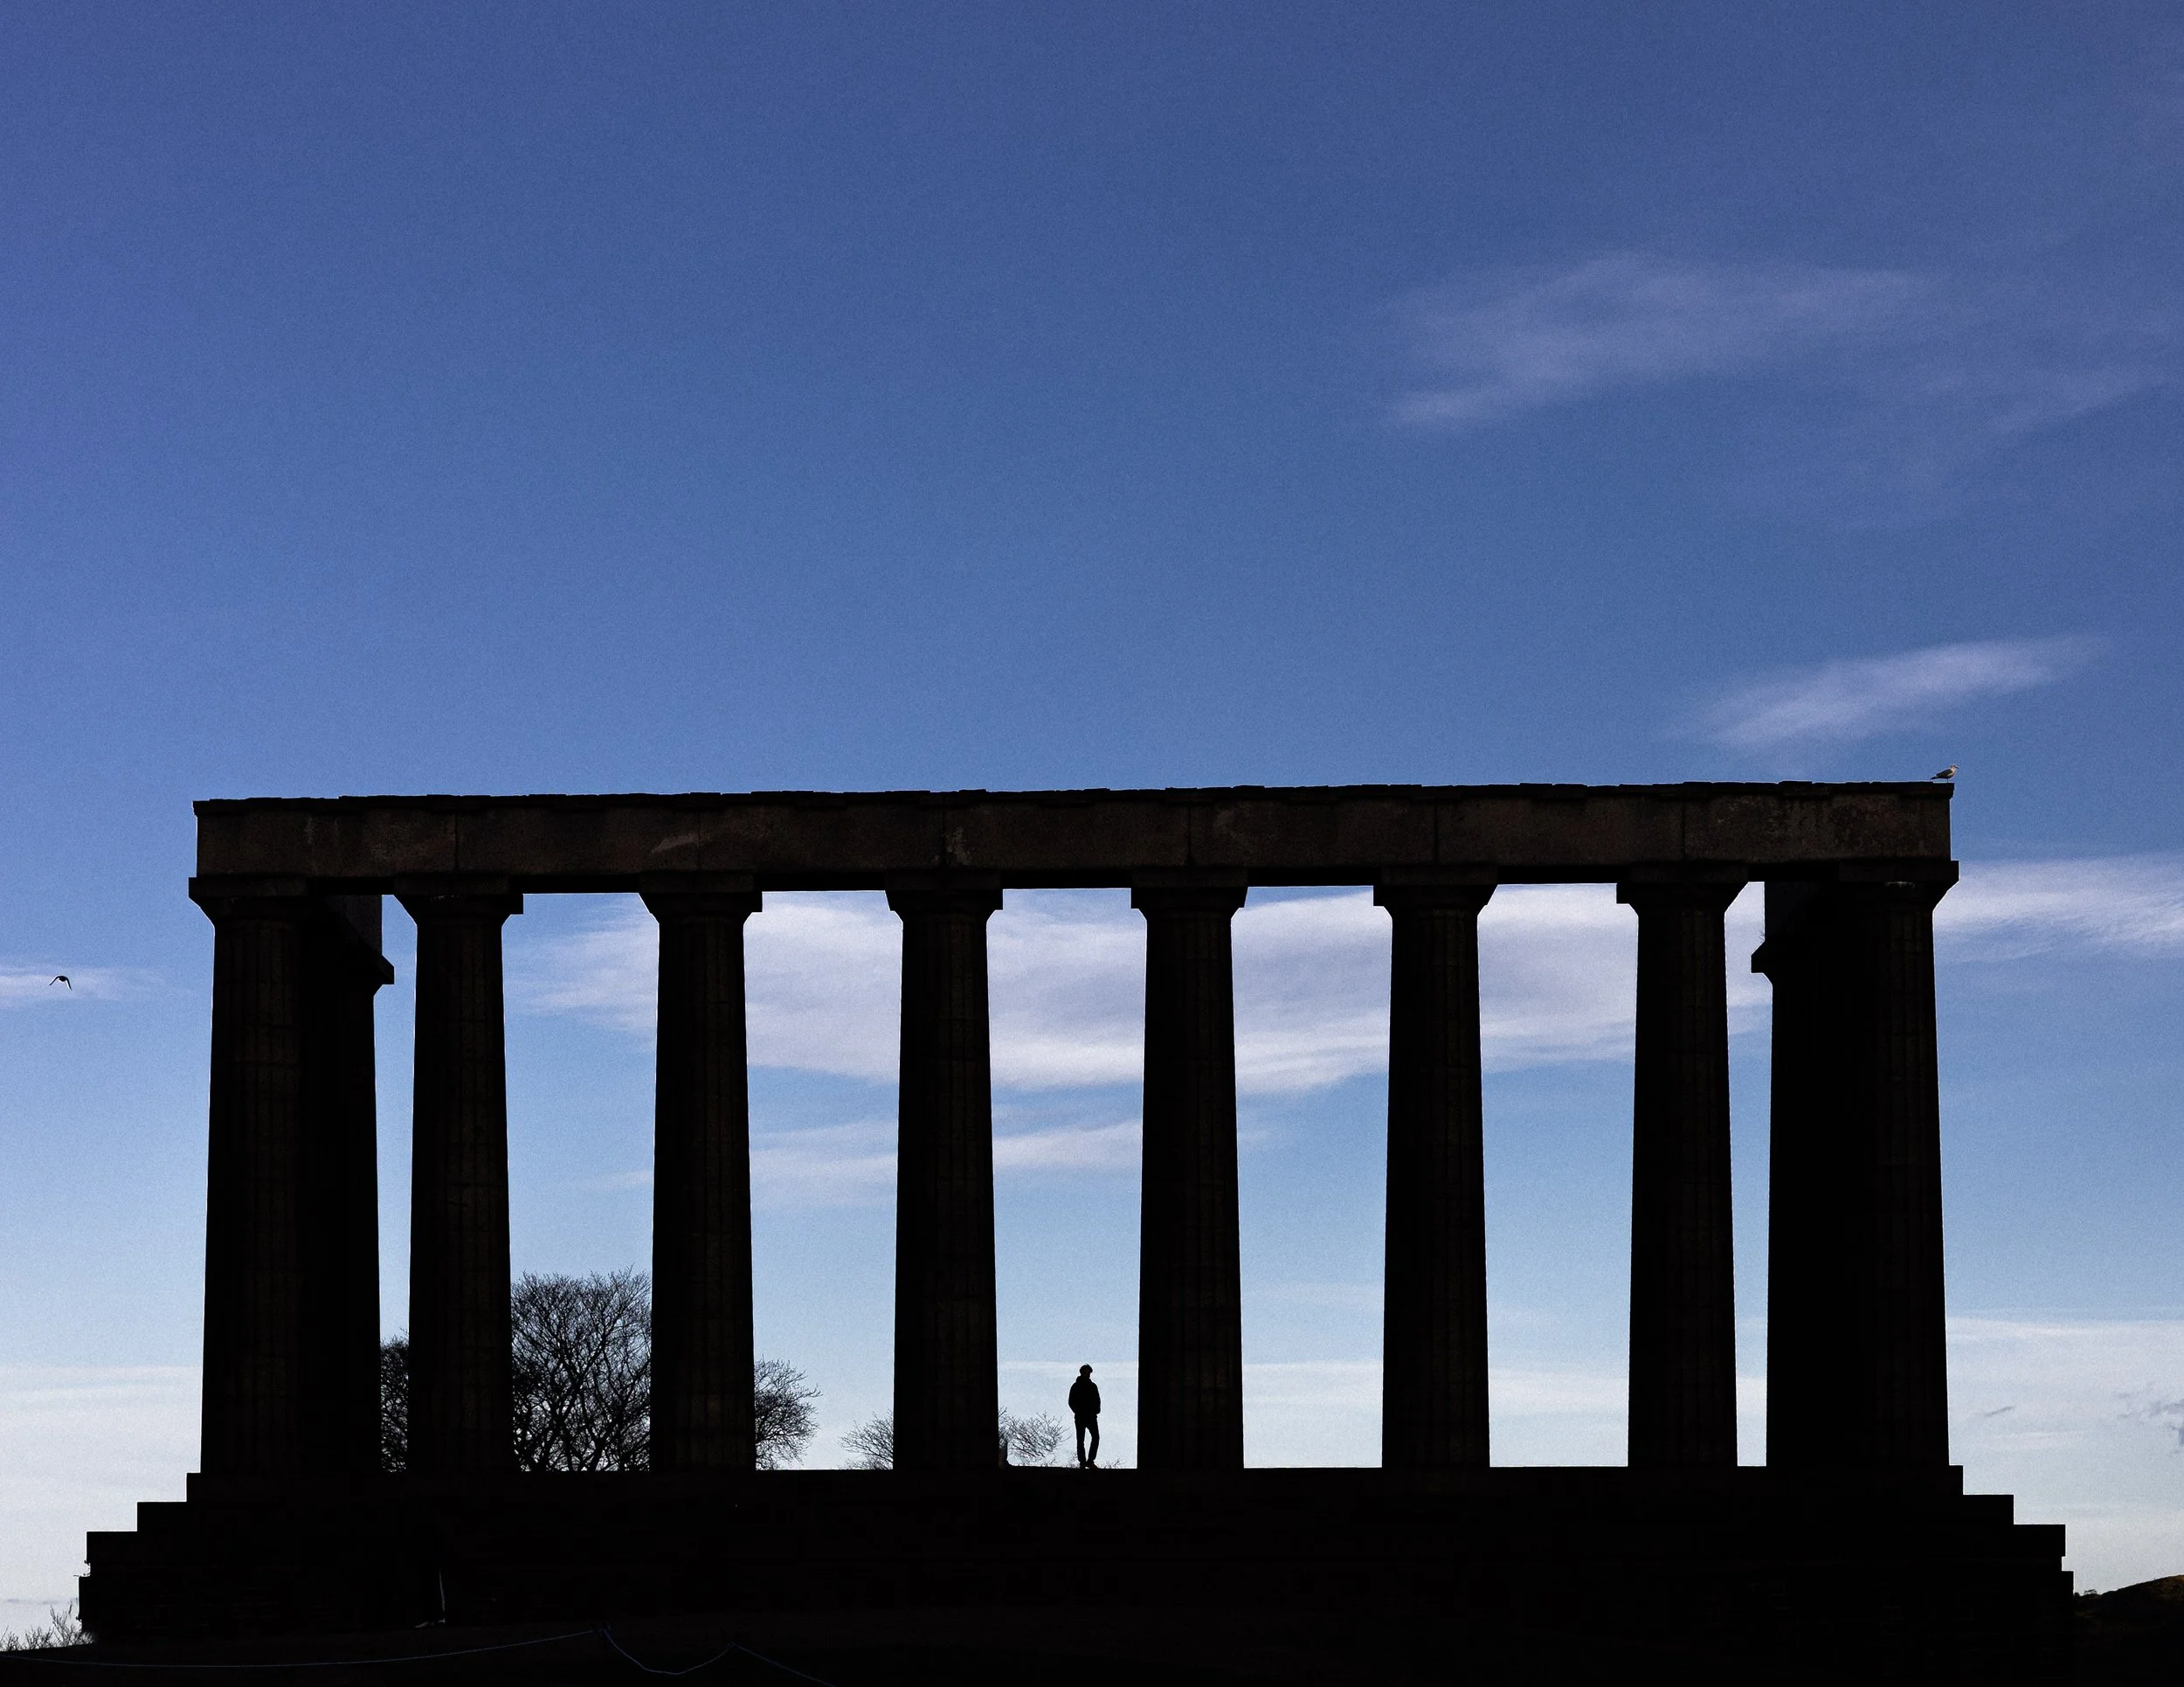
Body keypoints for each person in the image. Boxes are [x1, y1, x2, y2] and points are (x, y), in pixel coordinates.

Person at [1068, 1364, 1101, 1468]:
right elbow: (1071, 1401)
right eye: (1086, 1372)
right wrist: (1077, 1411)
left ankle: (1089, 1461)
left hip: (1090, 1416)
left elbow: (1097, 1400)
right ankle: (1083, 1461)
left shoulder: (1092, 1386)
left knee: (1094, 1437)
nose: (1088, 1374)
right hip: (1081, 1416)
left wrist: (1096, 1411)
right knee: (1081, 1439)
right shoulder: (1076, 1386)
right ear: (1082, 1372)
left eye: (1089, 1372)